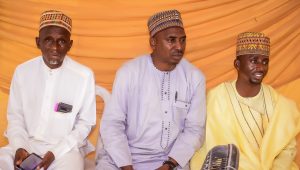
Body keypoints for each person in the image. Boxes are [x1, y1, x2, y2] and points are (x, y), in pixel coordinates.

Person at [97, 9, 206, 170]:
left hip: (169, 160)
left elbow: (195, 130)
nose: (179, 46)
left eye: (182, 40)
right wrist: (126, 166)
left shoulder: (194, 77)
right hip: (123, 158)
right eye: (172, 40)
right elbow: (112, 124)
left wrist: (169, 165)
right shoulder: (129, 72)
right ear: (153, 42)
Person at [0, 10, 96, 170]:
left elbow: (85, 124)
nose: (55, 48)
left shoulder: (84, 76)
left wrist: (55, 152)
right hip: (25, 144)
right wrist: (19, 148)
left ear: (70, 45)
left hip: (64, 151)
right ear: (38, 42)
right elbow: (15, 117)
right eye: (48, 40)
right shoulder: (22, 71)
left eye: (62, 42)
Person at [190, 32, 300, 170]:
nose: (260, 67)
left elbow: (287, 149)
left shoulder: (279, 104)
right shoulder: (217, 98)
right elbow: (206, 146)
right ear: (237, 64)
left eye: (265, 62)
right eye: (254, 61)